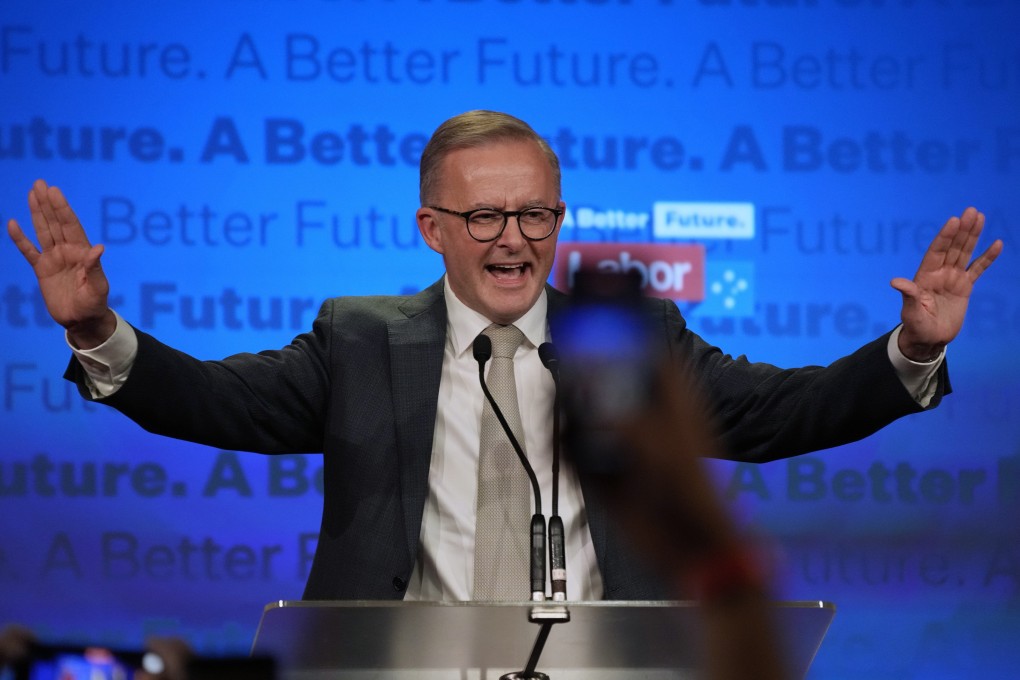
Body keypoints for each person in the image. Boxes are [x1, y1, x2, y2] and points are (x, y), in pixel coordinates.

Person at [6, 110, 1002, 603]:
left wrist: (911, 346)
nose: (514, 236)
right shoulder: (360, 338)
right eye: (485, 213)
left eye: (535, 212)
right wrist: (96, 328)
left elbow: (783, 414)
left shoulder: (627, 337)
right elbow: (213, 402)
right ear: (433, 226)